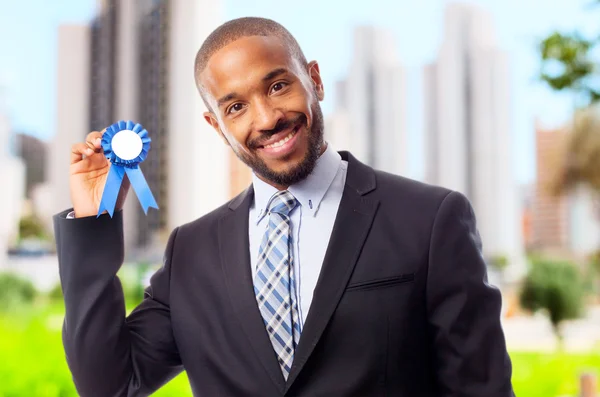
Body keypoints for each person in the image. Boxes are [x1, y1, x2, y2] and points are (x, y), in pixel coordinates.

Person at [54, 16, 515, 397]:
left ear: (313, 79)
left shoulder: (430, 220)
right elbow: (109, 385)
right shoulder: (190, 252)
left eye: (277, 86)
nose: (267, 118)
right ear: (216, 125)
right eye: (235, 107)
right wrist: (94, 225)